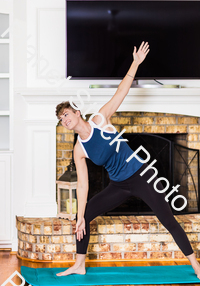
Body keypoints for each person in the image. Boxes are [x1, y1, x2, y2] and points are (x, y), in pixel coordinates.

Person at [55, 42, 200, 278]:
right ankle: (79, 265)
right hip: (119, 185)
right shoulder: (78, 149)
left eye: (67, 114)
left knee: (168, 219)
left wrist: (135, 62)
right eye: (61, 119)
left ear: (77, 112)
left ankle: (195, 264)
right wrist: (80, 215)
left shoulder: (100, 120)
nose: (65, 120)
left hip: (142, 175)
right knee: (84, 215)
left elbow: (121, 91)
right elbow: (83, 185)